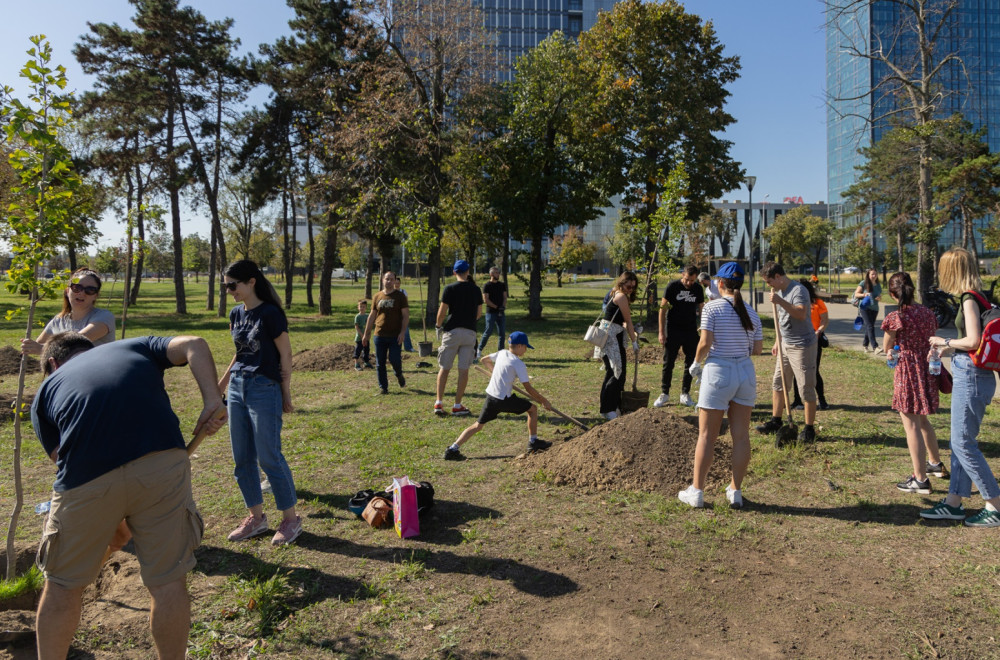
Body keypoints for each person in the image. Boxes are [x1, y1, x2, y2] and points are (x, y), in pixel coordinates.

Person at [31, 332, 226, 660]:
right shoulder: (134, 346)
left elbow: (72, 466)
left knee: (63, 585)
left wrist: (113, 527)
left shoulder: (45, 392)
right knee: (167, 581)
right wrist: (212, 400)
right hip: (164, 462)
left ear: (52, 363)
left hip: (88, 479)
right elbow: (195, 343)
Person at [219, 260, 303, 546]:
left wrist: (286, 393)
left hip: (263, 388)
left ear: (251, 281)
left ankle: (291, 520)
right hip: (237, 388)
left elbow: (286, 355)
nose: (229, 290)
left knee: (269, 456)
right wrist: (221, 386)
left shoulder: (270, 313)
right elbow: (240, 353)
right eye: (226, 285)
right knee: (242, 458)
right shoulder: (235, 313)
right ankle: (256, 519)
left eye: (233, 285)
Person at [922, 248, 1000, 527]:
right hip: (974, 373)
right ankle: (954, 502)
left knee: (963, 443)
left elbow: (973, 342)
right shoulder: (979, 296)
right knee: (960, 442)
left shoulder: (968, 298)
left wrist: (943, 342)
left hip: (973, 375)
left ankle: (995, 505)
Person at [678, 262, 763, 509]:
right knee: (741, 436)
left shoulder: (712, 308)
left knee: (707, 435)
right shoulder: (752, 312)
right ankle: (735, 491)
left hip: (719, 371)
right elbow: (757, 349)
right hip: (745, 372)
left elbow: (705, 343)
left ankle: (697, 491)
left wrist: (695, 363)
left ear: (721, 284)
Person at [880, 272, 945, 494]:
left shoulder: (895, 316)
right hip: (927, 368)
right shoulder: (927, 312)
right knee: (922, 418)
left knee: (911, 425)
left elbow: (888, 346)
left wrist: (891, 352)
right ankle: (935, 463)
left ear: (892, 293)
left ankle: (920, 479)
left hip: (908, 369)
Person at [444, 331, 553, 460]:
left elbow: (484, 360)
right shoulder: (518, 364)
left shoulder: (502, 353)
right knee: (533, 409)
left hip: (491, 397)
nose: (526, 350)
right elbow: (528, 388)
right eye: (525, 347)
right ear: (519, 346)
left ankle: (452, 449)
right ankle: (533, 442)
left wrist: (496, 373)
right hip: (503, 399)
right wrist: (544, 400)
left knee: (478, 425)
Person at [756, 261, 819, 444]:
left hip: (802, 346)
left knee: (806, 386)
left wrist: (780, 301)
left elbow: (800, 314)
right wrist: (778, 341)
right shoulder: (779, 291)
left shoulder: (798, 290)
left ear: (778, 277)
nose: (769, 286)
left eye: (769, 282)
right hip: (785, 344)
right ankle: (776, 421)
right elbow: (782, 320)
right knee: (778, 383)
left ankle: (809, 429)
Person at [20, 268, 116, 355]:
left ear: (95, 295)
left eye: (90, 290)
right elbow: (38, 344)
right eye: (76, 288)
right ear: (67, 291)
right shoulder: (58, 320)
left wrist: (44, 349)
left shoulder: (104, 317)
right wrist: (29, 346)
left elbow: (78, 341)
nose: (82, 293)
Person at [434, 260, 482, 416]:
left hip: (452, 332)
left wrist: (438, 326)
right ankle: (457, 405)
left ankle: (439, 403)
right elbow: (479, 314)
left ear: (454, 273)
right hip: (469, 333)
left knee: (445, 368)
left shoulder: (449, 289)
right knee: (463, 370)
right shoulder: (476, 289)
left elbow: (442, 313)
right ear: (468, 272)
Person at [653, 265, 704, 408]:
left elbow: (702, 308)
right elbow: (662, 310)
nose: (689, 283)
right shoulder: (672, 287)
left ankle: (685, 393)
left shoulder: (698, 289)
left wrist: (703, 326)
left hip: (690, 330)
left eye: (692, 281)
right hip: (673, 330)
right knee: (668, 363)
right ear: (683, 275)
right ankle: (664, 393)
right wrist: (661, 332)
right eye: (687, 280)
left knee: (691, 363)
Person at [596, 271, 640, 420]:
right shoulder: (621, 296)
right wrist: (634, 341)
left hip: (611, 336)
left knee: (612, 372)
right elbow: (627, 320)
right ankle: (608, 409)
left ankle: (610, 406)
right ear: (622, 283)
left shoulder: (614, 292)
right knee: (617, 373)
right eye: (629, 286)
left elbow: (619, 319)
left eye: (633, 288)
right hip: (612, 338)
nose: (630, 290)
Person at [362, 271, 409, 395]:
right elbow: (372, 316)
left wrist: (403, 332)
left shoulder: (400, 296)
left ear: (395, 281)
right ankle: (383, 388)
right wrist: (366, 334)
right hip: (380, 335)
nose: (389, 281)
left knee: (394, 360)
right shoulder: (377, 296)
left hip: (395, 335)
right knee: (380, 363)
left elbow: (405, 316)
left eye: (391, 279)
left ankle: (398, 374)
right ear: (383, 280)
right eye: (387, 279)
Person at [790, 278, 830, 411]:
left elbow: (824, 320)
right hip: (798, 339)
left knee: (813, 370)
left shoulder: (818, 303)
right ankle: (797, 400)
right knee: (797, 370)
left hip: (814, 339)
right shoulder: (794, 303)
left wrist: (818, 331)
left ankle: (822, 400)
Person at [477, 266, 508, 358]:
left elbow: (505, 297)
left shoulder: (502, 285)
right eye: (495, 272)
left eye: (498, 272)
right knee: (488, 331)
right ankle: (479, 349)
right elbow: (485, 300)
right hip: (491, 312)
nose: (497, 274)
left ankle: (501, 353)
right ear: (491, 274)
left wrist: (502, 307)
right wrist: (497, 307)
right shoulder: (487, 285)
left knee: (502, 333)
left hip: (501, 312)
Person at [854, 267, 882, 352]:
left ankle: (865, 345)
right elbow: (856, 294)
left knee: (869, 327)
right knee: (870, 326)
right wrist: (864, 295)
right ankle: (875, 347)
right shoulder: (863, 283)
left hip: (875, 308)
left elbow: (879, 296)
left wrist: (879, 298)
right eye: (872, 274)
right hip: (865, 308)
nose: (874, 276)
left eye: (875, 274)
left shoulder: (878, 285)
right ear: (868, 275)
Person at [394, 275, 415, 352]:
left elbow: (406, 303)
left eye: (398, 283)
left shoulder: (403, 292)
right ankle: (396, 346)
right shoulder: (392, 292)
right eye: (395, 283)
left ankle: (408, 347)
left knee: (405, 330)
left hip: (402, 314)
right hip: (395, 314)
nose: (397, 284)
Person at [353, 299, 372, 371]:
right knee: (358, 350)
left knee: (366, 350)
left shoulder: (368, 316)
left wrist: (368, 334)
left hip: (366, 337)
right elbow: (357, 327)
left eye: (363, 307)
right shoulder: (357, 317)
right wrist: (361, 335)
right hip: (359, 338)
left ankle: (366, 362)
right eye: (360, 306)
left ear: (366, 307)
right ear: (358, 307)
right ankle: (356, 364)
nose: (362, 308)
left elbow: (369, 326)